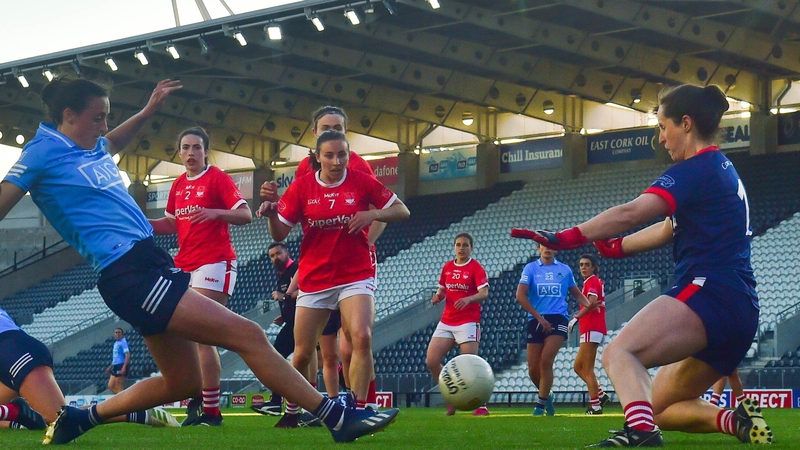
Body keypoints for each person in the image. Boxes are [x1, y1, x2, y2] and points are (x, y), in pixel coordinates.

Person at [0, 77, 398, 445]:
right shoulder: (42, 152)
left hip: (145, 265)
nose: (105, 126)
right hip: (130, 271)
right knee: (248, 335)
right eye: (98, 117)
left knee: (183, 381)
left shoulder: (88, 148)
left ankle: (80, 418)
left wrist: (150, 109)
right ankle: (336, 417)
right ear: (69, 117)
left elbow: (114, 142)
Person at [512, 84, 771, 446]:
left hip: (710, 291)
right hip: (739, 310)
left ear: (685, 124)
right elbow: (668, 228)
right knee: (656, 405)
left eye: (663, 128)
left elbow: (631, 212)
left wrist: (565, 237)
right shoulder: (721, 170)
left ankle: (641, 434)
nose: (662, 139)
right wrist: (618, 248)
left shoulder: (695, 170)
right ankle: (736, 421)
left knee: (620, 353)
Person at [259, 130, 409, 427]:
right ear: (317, 157)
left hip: (355, 275)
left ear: (348, 155)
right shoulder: (302, 187)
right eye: (329, 155)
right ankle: (292, 411)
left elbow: (401, 210)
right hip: (316, 278)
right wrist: (271, 214)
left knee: (362, 337)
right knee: (301, 354)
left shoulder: (361, 180)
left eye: (342, 154)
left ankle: (361, 410)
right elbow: (279, 234)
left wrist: (372, 214)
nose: (336, 161)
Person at [149, 126, 252, 427]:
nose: (191, 152)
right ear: (179, 153)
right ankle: (200, 400)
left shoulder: (217, 178)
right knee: (186, 336)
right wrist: (140, 222)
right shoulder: (179, 184)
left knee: (202, 336)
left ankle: (210, 410)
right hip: (185, 264)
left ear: (206, 151)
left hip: (214, 262)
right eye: (185, 147)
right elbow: (171, 223)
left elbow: (245, 214)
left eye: (197, 147)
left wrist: (216, 213)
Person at [0, 307, 179, 431]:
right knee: (53, 418)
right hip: (12, 350)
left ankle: (133, 412)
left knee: (61, 420)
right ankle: (19, 416)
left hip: (14, 351)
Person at [515, 242, 590, 417]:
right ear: (538, 248)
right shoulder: (530, 268)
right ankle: (547, 396)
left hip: (558, 318)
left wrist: (589, 304)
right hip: (535, 318)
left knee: (546, 360)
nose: (547, 248)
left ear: (556, 249)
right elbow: (520, 295)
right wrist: (539, 318)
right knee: (533, 368)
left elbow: (576, 293)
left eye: (550, 245)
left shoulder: (564, 270)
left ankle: (540, 406)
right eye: (543, 245)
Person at [425, 232, 489, 416]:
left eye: (465, 245)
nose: (461, 248)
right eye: (459, 245)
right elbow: (442, 291)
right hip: (447, 320)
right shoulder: (447, 267)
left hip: (468, 321)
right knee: (432, 361)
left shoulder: (476, 268)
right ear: (454, 247)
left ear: (471, 248)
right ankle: (452, 397)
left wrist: (469, 299)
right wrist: (438, 297)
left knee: (471, 365)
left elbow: (484, 293)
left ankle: (481, 404)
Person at [251, 242, 298, 416]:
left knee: (275, 357)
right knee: (325, 360)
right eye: (271, 256)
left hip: (300, 324)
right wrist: (284, 315)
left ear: (287, 252)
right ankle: (347, 394)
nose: (275, 258)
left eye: (278, 253)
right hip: (292, 323)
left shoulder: (295, 269)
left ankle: (276, 402)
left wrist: (283, 296)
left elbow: (306, 291)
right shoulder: (283, 275)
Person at [569, 254, 611, 415]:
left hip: (591, 327)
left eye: (587, 264)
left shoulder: (592, 281)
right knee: (578, 367)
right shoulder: (591, 282)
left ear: (593, 267)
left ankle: (596, 405)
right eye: (581, 265)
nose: (584, 268)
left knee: (586, 369)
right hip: (591, 328)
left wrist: (576, 318)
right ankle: (600, 395)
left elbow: (592, 300)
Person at [105, 328, 130, 394]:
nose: (117, 334)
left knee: (119, 386)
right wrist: (110, 367)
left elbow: (127, 355)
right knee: (110, 385)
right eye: (116, 332)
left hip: (121, 365)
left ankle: (122, 401)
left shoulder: (123, 342)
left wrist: (124, 367)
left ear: (122, 334)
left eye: (119, 332)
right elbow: (115, 357)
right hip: (115, 365)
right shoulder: (116, 343)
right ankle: (121, 398)